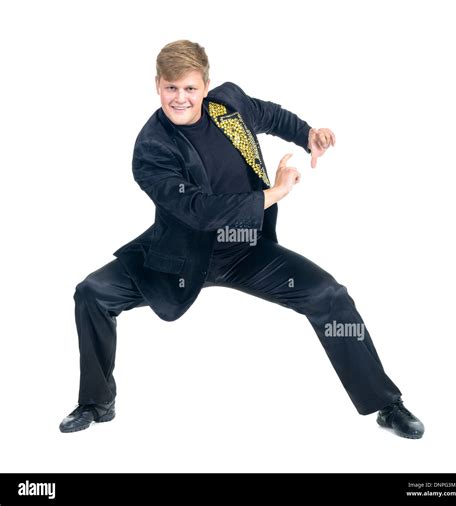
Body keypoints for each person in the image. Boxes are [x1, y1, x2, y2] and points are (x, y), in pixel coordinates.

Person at [60, 40, 424, 439]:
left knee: (330, 296)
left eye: (190, 88)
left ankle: (386, 404)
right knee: (92, 293)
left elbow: (268, 115)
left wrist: (307, 134)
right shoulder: (152, 147)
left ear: (206, 85)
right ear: (157, 85)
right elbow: (200, 211)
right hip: (178, 257)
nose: (180, 99)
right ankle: (96, 402)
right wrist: (275, 193)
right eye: (171, 88)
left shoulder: (228, 104)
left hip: (247, 250)